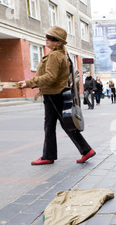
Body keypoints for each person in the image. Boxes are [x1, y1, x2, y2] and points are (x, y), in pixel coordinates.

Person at [19, 26, 96, 165]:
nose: (47, 39)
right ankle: (85, 150)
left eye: (51, 38)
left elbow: (50, 77)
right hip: (56, 93)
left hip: (53, 95)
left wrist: (29, 82)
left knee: (50, 126)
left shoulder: (55, 55)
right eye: (47, 36)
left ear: (59, 42)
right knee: (65, 124)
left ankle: (48, 156)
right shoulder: (62, 54)